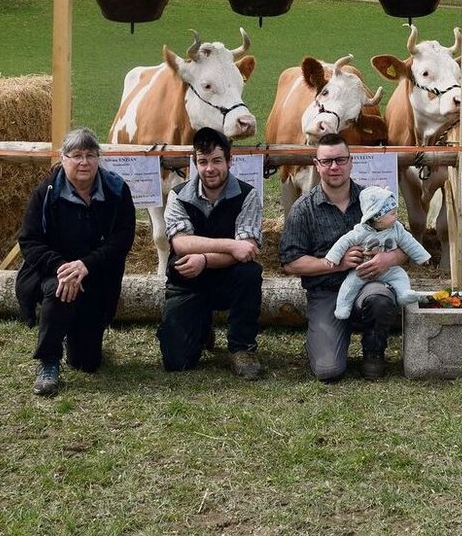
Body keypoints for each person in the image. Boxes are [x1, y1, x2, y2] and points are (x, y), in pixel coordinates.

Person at [16, 127, 135, 396]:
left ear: (98, 158)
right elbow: (29, 241)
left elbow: (122, 240)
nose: (84, 162)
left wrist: (85, 265)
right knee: (59, 291)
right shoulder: (46, 193)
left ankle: (74, 330)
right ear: (63, 158)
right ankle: (48, 362)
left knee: (86, 363)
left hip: (96, 277)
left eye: (91, 155)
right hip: (52, 274)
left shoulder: (117, 191)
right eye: (77, 155)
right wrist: (62, 268)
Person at [280, 133, 407, 381]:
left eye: (340, 160)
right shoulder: (303, 209)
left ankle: (373, 351)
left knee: (380, 298)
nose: (334, 167)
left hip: (369, 285)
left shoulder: (373, 200)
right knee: (328, 371)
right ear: (317, 165)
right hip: (326, 293)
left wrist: (388, 259)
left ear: (351, 162)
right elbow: (290, 262)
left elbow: (405, 245)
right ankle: (324, 336)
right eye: (326, 161)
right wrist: (335, 265)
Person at [156, 127, 264, 380]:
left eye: (216, 161)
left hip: (229, 279)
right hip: (188, 281)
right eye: (203, 162)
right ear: (195, 163)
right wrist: (231, 246)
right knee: (176, 361)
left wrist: (204, 259)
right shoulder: (178, 196)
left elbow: (247, 250)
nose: (209, 169)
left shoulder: (248, 195)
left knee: (249, 272)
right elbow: (182, 244)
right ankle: (201, 327)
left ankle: (241, 347)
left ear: (229, 160)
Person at [323, 186, 431, 319]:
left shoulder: (397, 229)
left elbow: (410, 243)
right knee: (350, 284)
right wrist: (333, 257)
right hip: (363, 270)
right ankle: (343, 307)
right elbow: (344, 242)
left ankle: (403, 295)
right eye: (392, 213)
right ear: (377, 217)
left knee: (401, 276)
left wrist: (422, 257)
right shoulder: (361, 231)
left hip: (389, 270)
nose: (396, 215)